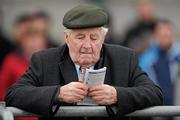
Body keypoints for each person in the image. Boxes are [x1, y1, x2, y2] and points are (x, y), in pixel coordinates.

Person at [5, 5, 163, 120]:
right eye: (80, 37)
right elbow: (13, 94)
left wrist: (117, 95)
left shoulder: (124, 58)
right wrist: (58, 94)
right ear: (66, 38)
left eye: (94, 38)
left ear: (103, 38)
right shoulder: (45, 60)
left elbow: (154, 93)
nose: (87, 45)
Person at [139, 20, 180, 120]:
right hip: (156, 111)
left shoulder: (177, 57)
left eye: (167, 33)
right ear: (155, 37)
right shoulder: (147, 60)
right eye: (161, 34)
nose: (164, 36)